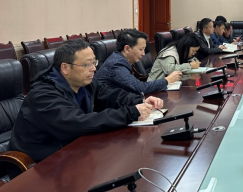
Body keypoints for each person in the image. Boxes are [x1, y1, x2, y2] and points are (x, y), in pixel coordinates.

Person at [8, 40, 163, 163]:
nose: (93, 69)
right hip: (41, 164)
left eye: (94, 63)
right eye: (87, 64)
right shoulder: (43, 95)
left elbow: (111, 96)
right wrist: (130, 113)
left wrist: (141, 100)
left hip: (73, 152)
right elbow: (77, 123)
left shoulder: (85, 83)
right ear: (65, 68)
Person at [95, 29, 181, 95]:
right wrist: (167, 80)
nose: (143, 54)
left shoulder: (121, 59)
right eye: (141, 49)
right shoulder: (116, 64)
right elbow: (139, 88)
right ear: (127, 48)